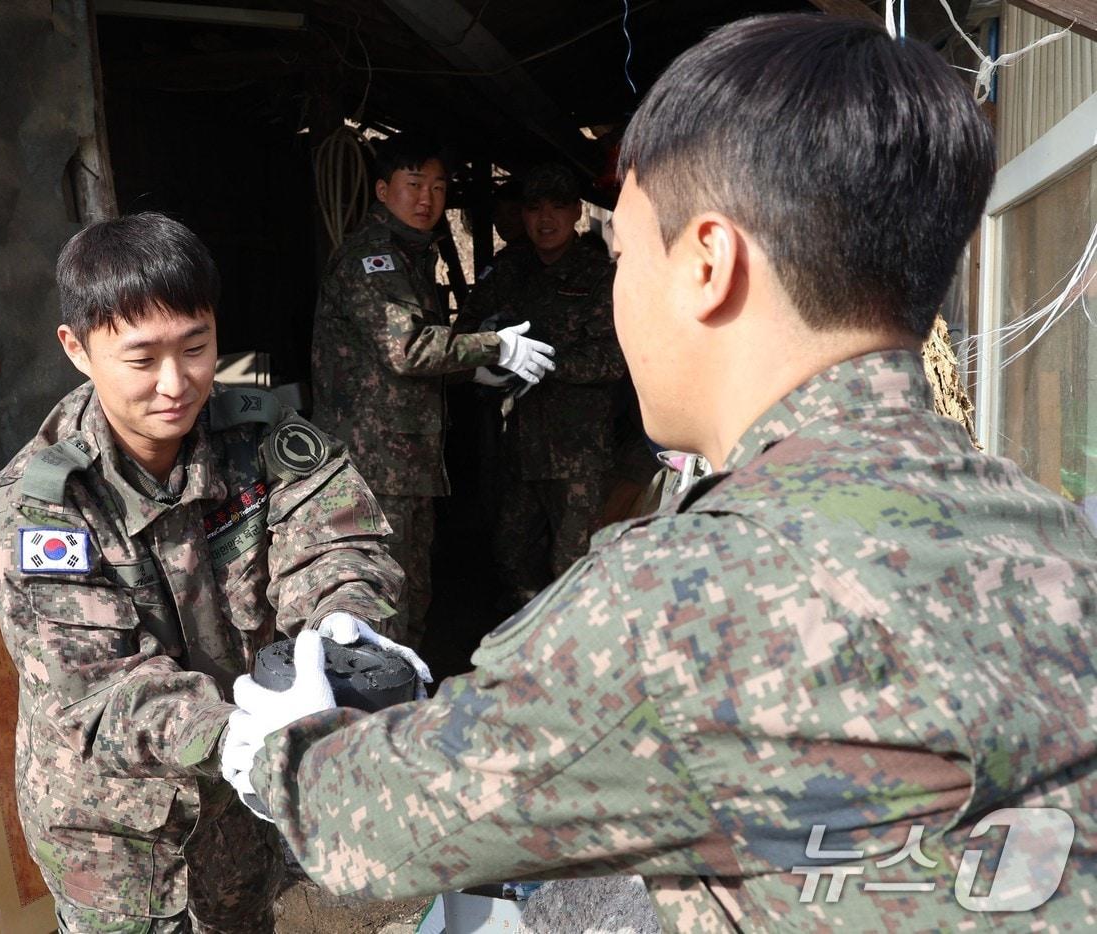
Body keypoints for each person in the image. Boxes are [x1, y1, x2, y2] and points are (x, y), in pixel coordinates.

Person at [221, 14, 1097, 930]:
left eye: (627, 255)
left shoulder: (681, 603)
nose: (613, 284)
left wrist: (288, 753)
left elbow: (376, 826)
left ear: (709, 263)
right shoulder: (1054, 531)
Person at [0, 213, 420, 933]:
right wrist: (234, 737)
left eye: (197, 347)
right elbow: (97, 689)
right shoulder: (38, 511)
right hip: (117, 832)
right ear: (78, 349)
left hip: (238, 814)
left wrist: (343, 624)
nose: (176, 383)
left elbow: (336, 534)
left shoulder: (259, 426)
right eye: (142, 359)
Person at [310, 135, 556, 645]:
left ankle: (406, 701)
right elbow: (407, 348)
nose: (427, 199)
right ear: (382, 190)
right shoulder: (373, 258)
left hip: (405, 462)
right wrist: (493, 349)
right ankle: (379, 713)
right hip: (374, 464)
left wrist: (469, 372)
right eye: (413, 185)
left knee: (410, 589)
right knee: (380, 599)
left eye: (438, 187)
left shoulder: (410, 257)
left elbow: (394, 362)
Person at [458, 163, 626, 606]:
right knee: (510, 554)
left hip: (578, 454)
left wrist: (540, 360)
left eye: (557, 206)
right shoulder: (509, 269)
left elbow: (613, 360)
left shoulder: (599, 276)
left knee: (574, 567)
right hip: (517, 448)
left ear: (576, 211)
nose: (545, 218)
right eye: (534, 208)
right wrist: (491, 354)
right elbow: (465, 334)